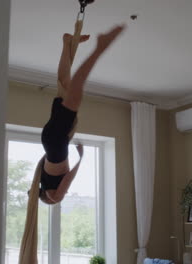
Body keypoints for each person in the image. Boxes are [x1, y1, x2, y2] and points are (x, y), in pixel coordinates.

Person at [39, 24, 125, 204]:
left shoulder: (53, 196)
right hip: (52, 139)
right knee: (65, 84)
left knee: (75, 92)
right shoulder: (44, 184)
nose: (65, 194)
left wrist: (81, 157)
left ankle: (98, 49)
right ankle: (67, 42)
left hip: (56, 139)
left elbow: (68, 177)